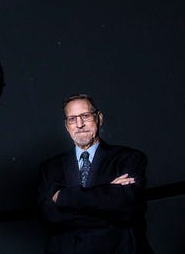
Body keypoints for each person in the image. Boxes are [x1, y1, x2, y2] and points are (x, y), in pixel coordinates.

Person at [38, 93, 154, 254]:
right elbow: (49, 218)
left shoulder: (129, 158)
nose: (79, 124)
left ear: (99, 118)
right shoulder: (50, 168)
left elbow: (127, 209)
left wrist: (63, 197)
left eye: (85, 116)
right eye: (72, 119)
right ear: (66, 126)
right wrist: (107, 193)